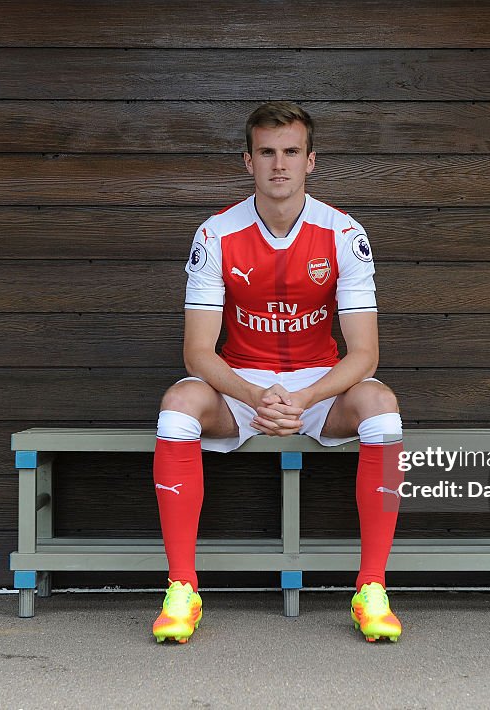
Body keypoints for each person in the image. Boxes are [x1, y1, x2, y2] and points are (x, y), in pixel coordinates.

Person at [151, 101, 404, 644]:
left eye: (291, 152)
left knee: (382, 406)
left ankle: (372, 589)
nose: (279, 164)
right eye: (267, 152)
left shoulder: (343, 233)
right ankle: (182, 589)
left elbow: (364, 354)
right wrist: (256, 394)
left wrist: (306, 395)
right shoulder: (216, 234)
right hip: (242, 385)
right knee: (178, 402)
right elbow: (198, 352)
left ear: (311, 161)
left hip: (319, 387)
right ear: (248, 161)